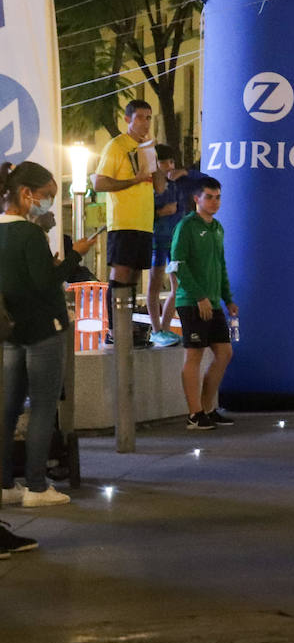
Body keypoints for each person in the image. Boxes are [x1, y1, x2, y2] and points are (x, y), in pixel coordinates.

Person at [0, 161, 100, 513]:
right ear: (26, 194)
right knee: (43, 407)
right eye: (46, 197)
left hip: (11, 332)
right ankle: (37, 486)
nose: (48, 204)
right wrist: (76, 255)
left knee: (8, 408)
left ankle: (5, 484)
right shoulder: (28, 234)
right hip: (44, 329)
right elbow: (45, 283)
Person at [93, 99, 165, 345]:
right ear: (128, 119)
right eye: (141, 117)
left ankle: (127, 326)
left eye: (149, 117)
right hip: (123, 221)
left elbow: (160, 186)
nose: (145, 122)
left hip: (144, 222)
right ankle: (113, 329)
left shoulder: (147, 148)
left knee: (133, 275)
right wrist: (133, 180)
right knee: (121, 272)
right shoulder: (117, 146)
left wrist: (158, 163)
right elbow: (99, 183)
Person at [171, 177, 237, 431]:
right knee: (194, 355)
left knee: (224, 353)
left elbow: (220, 266)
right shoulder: (186, 226)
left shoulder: (218, 228)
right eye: (209, 197)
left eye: (218, 197)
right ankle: (194, 414)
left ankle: (208, 409)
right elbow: (177, 264)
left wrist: (228, 299)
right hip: (191, 301)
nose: (214, 201)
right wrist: (199, 296)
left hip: (213, 302)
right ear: (196, 199)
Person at [148, 144, 188, 346]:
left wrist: (185, 172)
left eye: (172, 162)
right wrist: (161, 212)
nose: (169, 166)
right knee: (154, 283)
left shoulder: (178, 184)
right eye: (164, 162)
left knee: (177, 285)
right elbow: (142, 213)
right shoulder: (149, 185)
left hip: (175, 243)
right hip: (156, 241)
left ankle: (165, 328)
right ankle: (156, 331)